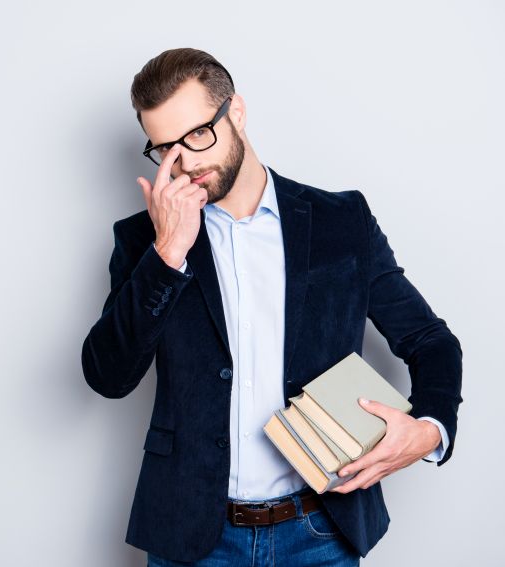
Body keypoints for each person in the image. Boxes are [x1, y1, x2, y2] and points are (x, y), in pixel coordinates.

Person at [80, 48, 463, 566]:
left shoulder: (339, 221)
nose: (186, 163)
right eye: (165, 148)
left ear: (235, 111)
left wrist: (428, 430)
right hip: (194, 536)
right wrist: (166, 254)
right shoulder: (144, 241)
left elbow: (429, 340)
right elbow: (108, 376)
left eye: (197, 135)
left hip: (321, 530)